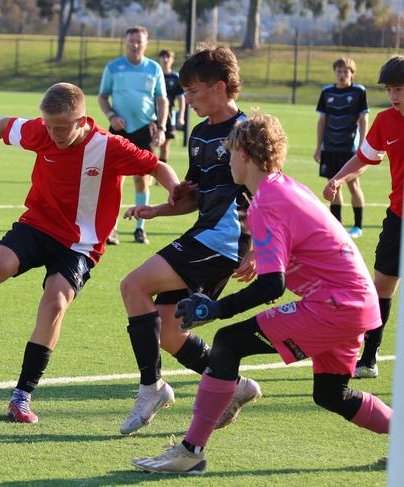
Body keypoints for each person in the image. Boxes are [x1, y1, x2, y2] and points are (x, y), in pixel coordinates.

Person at [0, 82, 181, 424]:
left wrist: (173, 189)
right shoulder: (43, 132)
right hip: (37, 224)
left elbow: (157, 166)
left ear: (83, 121)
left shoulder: (109, 147)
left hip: (80, 244)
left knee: (56, 301)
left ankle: (22, 396)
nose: (53, 134)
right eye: (49, 126)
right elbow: (3, 126)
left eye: (61, 128)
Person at [132, 113, 390, 474]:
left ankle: (189, 452)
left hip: (336, 305)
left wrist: (214, 309)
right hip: (352, 304)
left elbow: (272, 285)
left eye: (231, 151)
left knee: (228, 342)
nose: (228, 158)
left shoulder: (267, 199)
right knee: (331, 394)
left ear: (247, 156)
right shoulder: (281, 188)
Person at [118, 46, 260, 437]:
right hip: (205, 235)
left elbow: (270, 193)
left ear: (219, 87)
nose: (189, 100)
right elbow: (197, 195)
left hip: (227, 240)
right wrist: (159, 210)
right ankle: (233, 385)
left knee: (133, 285)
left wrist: (263, 249)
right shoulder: (198, 135)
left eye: (194, 92)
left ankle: (152, 388)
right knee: (167, 331)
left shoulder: (248, 131)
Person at [324, 55, 404, 380]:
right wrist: (338, 179)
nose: (394, 95)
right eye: (389, 89)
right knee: (382, 285)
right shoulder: (385, 121)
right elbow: (364, 156)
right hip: (398, 216)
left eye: (399, 88)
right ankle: (369, 358)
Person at [98, 26, 169, 245]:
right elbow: (102, 96)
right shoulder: (113, 67)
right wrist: (111, 116)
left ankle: (140, 228)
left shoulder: (154, 68)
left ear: (146, 44)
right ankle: (112, 229)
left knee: (142, 180)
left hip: (144, 130)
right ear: (125, 42)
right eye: (131, 41)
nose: (135, 45)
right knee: (114, 180)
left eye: (139, 41)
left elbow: (162, 100)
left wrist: (162, 127)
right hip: (119, 130)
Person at [314, 57, 368, 238]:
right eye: (339, 71)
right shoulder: (326, 92)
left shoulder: (359, 91)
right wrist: (318, 146)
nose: (342, 75)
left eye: (346, 71)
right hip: (330, 148)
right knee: (333, 186)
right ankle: (337, 227)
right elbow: (322, 121)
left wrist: (362, 145)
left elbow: (363, 119)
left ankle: (358, 226)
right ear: (335, 72)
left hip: (350, 149)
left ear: (352, 73)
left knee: (354, 185)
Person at [158, 49, 186, 168]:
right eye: (163, 57)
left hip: (169, 116)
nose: (165, 60)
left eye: (168, 57)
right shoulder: (155, 74)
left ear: (172, 60)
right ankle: (148, 175)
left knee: (165, 146)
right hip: (152, 116)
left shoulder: (175, 78)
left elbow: (181, 99)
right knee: (150, 146)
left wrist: (180, 116)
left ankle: (161, 174)